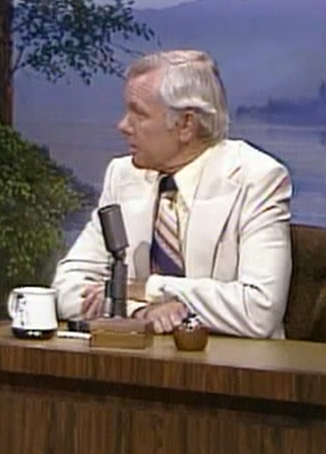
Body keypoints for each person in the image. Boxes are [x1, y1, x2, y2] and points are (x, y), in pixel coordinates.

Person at [52, 50, 292, 338]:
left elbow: (260, 309)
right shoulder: (123, 175)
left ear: (185, 124)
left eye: (138, 113)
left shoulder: (257, 178)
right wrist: (139, 312)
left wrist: (152, 288)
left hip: (232, 362)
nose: (123, 126)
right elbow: (67, 287)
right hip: (139, 358)